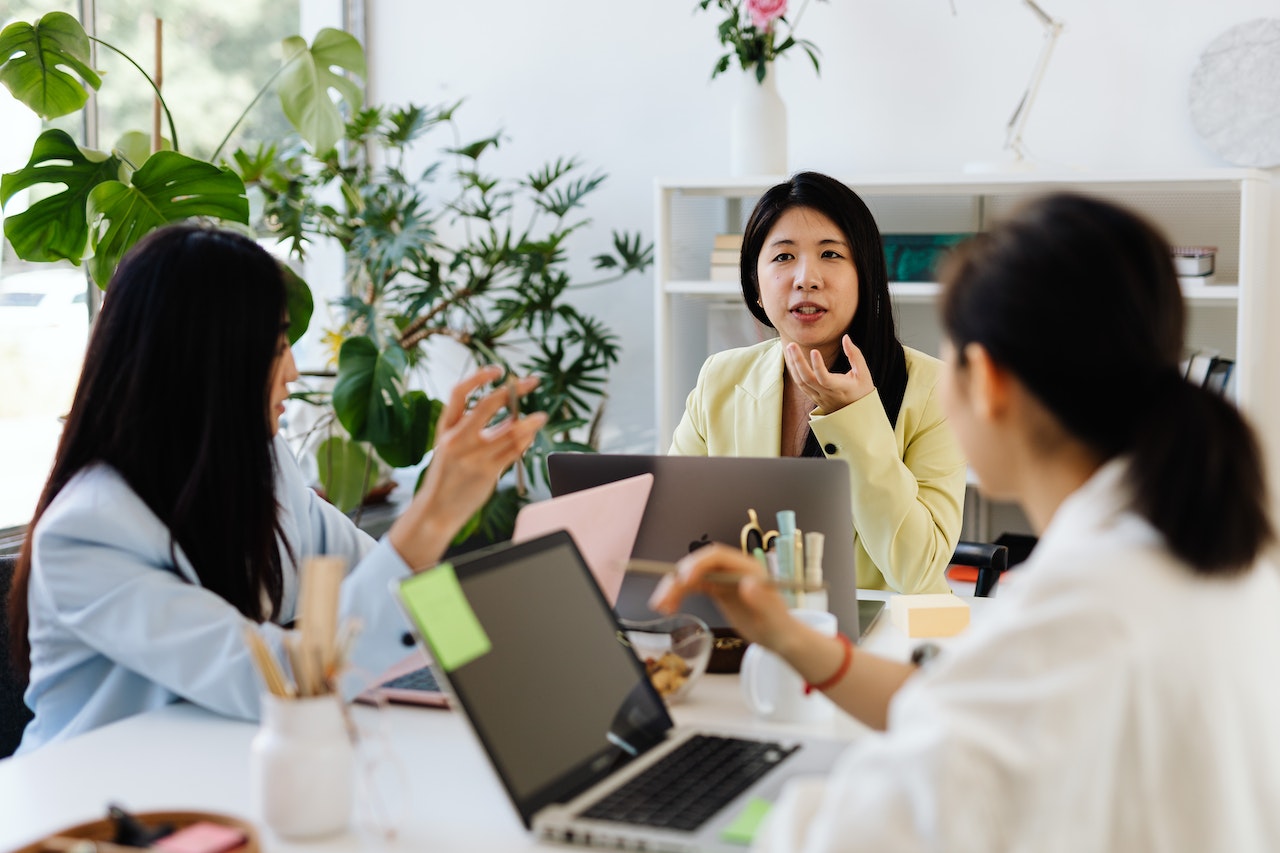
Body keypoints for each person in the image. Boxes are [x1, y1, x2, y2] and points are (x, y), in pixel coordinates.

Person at [653, 193, 1280, 851]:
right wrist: (790, 635)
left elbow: (844, 833)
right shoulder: (1193, 546)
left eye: (949, 352)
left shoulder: (1076, 613)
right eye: (782, 256)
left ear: (986, 380)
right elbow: (962, 699)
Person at [7, 224, 546, 754]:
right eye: (275, 346)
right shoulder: (88, 531)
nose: (292, 370)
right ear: (205, 361)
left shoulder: (267, 469)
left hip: (224, 775)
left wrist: (487, 667)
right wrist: (432, 517)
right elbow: (280, 679)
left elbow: (384, 585)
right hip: (96, 813)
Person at [669, 171, 966, 594]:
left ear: (865, 275)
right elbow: (673, 525)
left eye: (830, 254)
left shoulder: (935, 388)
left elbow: (916, 571)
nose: (806, 278)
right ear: (755, 284)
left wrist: (855, 417)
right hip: (752, 628)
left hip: (886, 638)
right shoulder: (720, 378)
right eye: (783, 257)